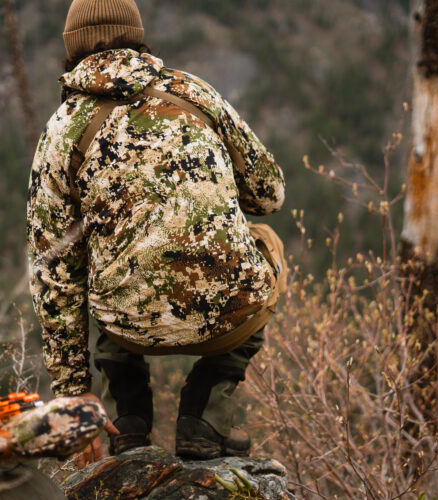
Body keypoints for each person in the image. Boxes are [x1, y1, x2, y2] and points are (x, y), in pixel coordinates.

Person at [27, 0, 286, 468]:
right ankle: (205, 417)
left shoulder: (61, 131)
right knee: (268, 243)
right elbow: (269, 196)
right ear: (137, 35)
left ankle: (128, 424)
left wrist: (74, 396)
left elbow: (52, 274)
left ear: (72, 49)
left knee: (89, 269)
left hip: (127, 325)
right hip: (225, 317)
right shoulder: (194, 92)